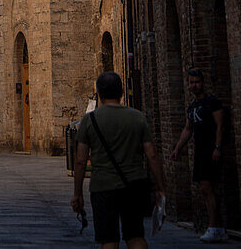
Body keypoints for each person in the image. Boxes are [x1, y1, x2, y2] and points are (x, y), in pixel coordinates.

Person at [71, 71, 164, 249]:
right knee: (136, 236)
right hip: (134, 185)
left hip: (103, 187)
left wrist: (77, 194)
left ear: (98, 92)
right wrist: (160, 187)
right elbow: (152, 155)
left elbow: (81, 161)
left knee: (109, 240)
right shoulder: (137, 117)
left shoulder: (89, 120)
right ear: (121, 92)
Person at [170, 68, 226, 243]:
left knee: (208, 188)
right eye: (191, 82)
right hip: (200, 151)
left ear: (203, 83)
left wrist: (217, 147)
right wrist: (178, 148)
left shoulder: (212, 103)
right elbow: (188, 129)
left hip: (211, 150)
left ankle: (214, 227)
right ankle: (216, 226)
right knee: (206, 189)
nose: (194, 85)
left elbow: (220, 126)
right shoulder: (193, 106)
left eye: (197, 82)